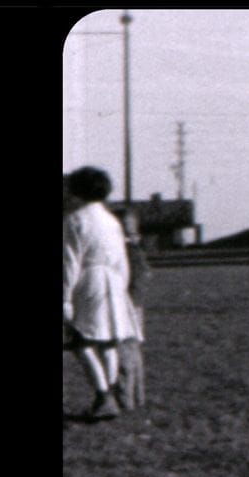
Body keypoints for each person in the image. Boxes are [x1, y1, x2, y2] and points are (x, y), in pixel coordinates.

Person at [63, 166, 144, 420]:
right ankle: (109, 394)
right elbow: (122, 260)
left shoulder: (74, 220)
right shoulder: (112, 221)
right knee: (108, 342)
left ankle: (103, 395)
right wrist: (121, 288)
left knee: (81, 341)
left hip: (88, 281)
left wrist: (65, 297)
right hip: (114, 282)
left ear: (77, 191)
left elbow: (69, 261)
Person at [113, 208, 150, 410]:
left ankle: (126, 398)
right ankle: (137, 396)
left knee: (125, 352)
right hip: (133, 304)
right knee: (133, 351)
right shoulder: (136, 250)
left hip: (127, 304)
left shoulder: (129, 252)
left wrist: (130, 302)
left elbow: (138, 279)